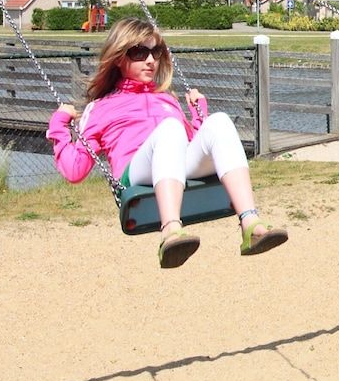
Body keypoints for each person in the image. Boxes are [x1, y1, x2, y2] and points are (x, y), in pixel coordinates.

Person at [48, 18, 286, 268]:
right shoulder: (100, 108)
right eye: (139, 52)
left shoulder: (167, 100)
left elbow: (189, 146)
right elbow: (74, 170)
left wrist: (199, 116)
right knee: (170, 129)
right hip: (136, 172)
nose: (150, 60)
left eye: (156, 51)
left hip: (173, 167)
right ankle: (171, 230)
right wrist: (59, 126)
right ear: (119, 58)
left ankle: (251, 224)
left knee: (220, 121)